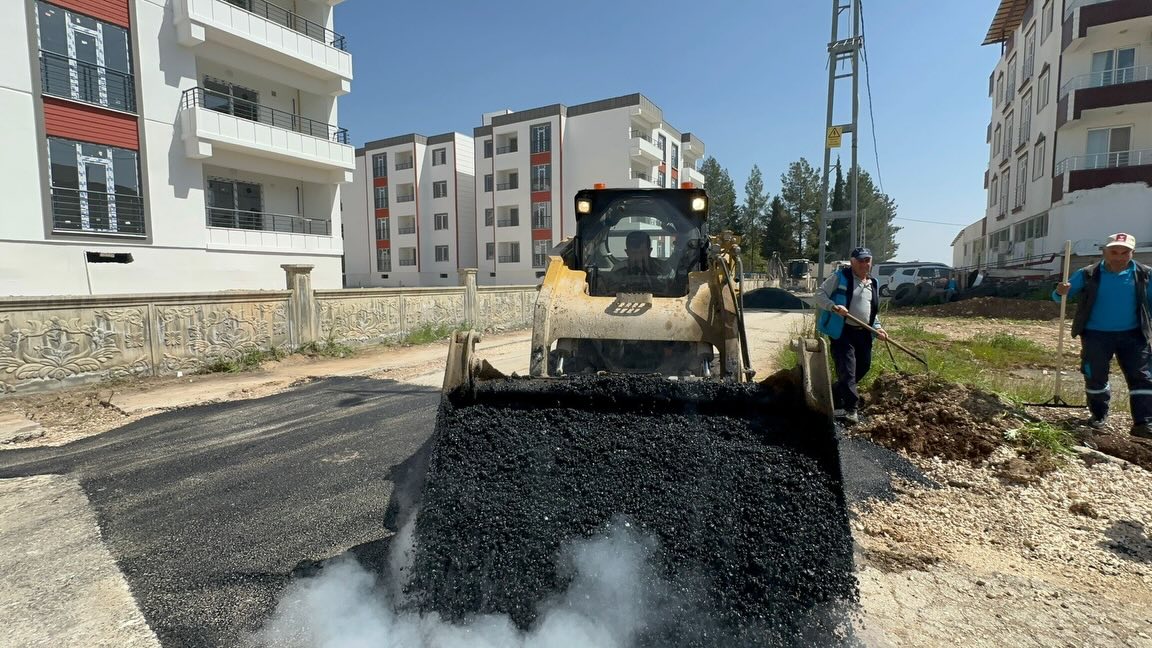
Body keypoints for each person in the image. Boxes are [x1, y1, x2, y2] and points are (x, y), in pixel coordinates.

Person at [1053, 232, 1152, 438]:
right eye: (1114, 252)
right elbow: (1059, 297)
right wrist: (1060, 291)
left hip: (1134, 335)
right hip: (1096, 335)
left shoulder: (1145, 275)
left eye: (1124, 253)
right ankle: (1098, 416)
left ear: (1133, 253)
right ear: (1104, 252)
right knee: (1095, 375)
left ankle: (1144, 423)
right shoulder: (1088, 274)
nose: (1119, 257)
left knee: (1142, 377)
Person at [815, 247, 889, 425]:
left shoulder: (873, 283)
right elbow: (819, 294)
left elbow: (871, 312)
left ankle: (835, 392)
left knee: (863, 366)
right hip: (843, 331)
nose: (864, 264)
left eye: (867, 260)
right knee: (848, 369)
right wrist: (833, 306)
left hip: (864, 333)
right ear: (852, 262)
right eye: (860, 260)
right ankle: (851, 408)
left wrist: (878, 328)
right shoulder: (840, 277)